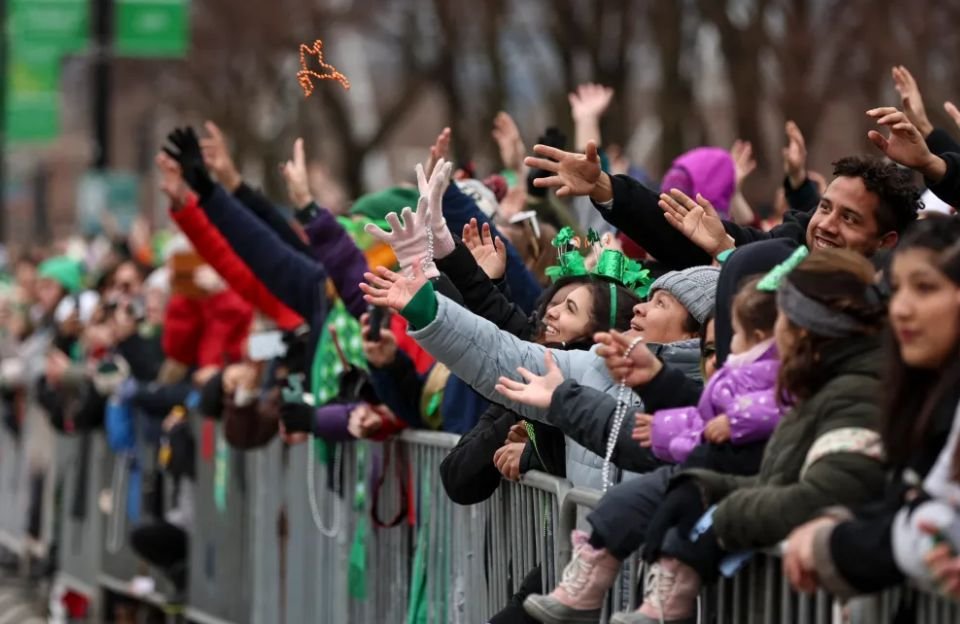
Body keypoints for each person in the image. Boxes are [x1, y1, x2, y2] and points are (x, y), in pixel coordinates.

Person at [524, 248, 889, 624]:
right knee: (639, 497)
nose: (754, 348)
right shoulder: (813, 382)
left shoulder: (851, 391)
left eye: (776, 328)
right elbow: (709, 425)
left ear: (807, 332)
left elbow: (812, 488)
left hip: (799, 597)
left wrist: (715, 513)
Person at [782, 218, 960, 607]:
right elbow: (912, 504)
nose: (903, 309)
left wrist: (830, 543)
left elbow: (931, 528)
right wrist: (839, 524)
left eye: (925, 288)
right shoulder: (919, 393)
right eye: (895, 290)